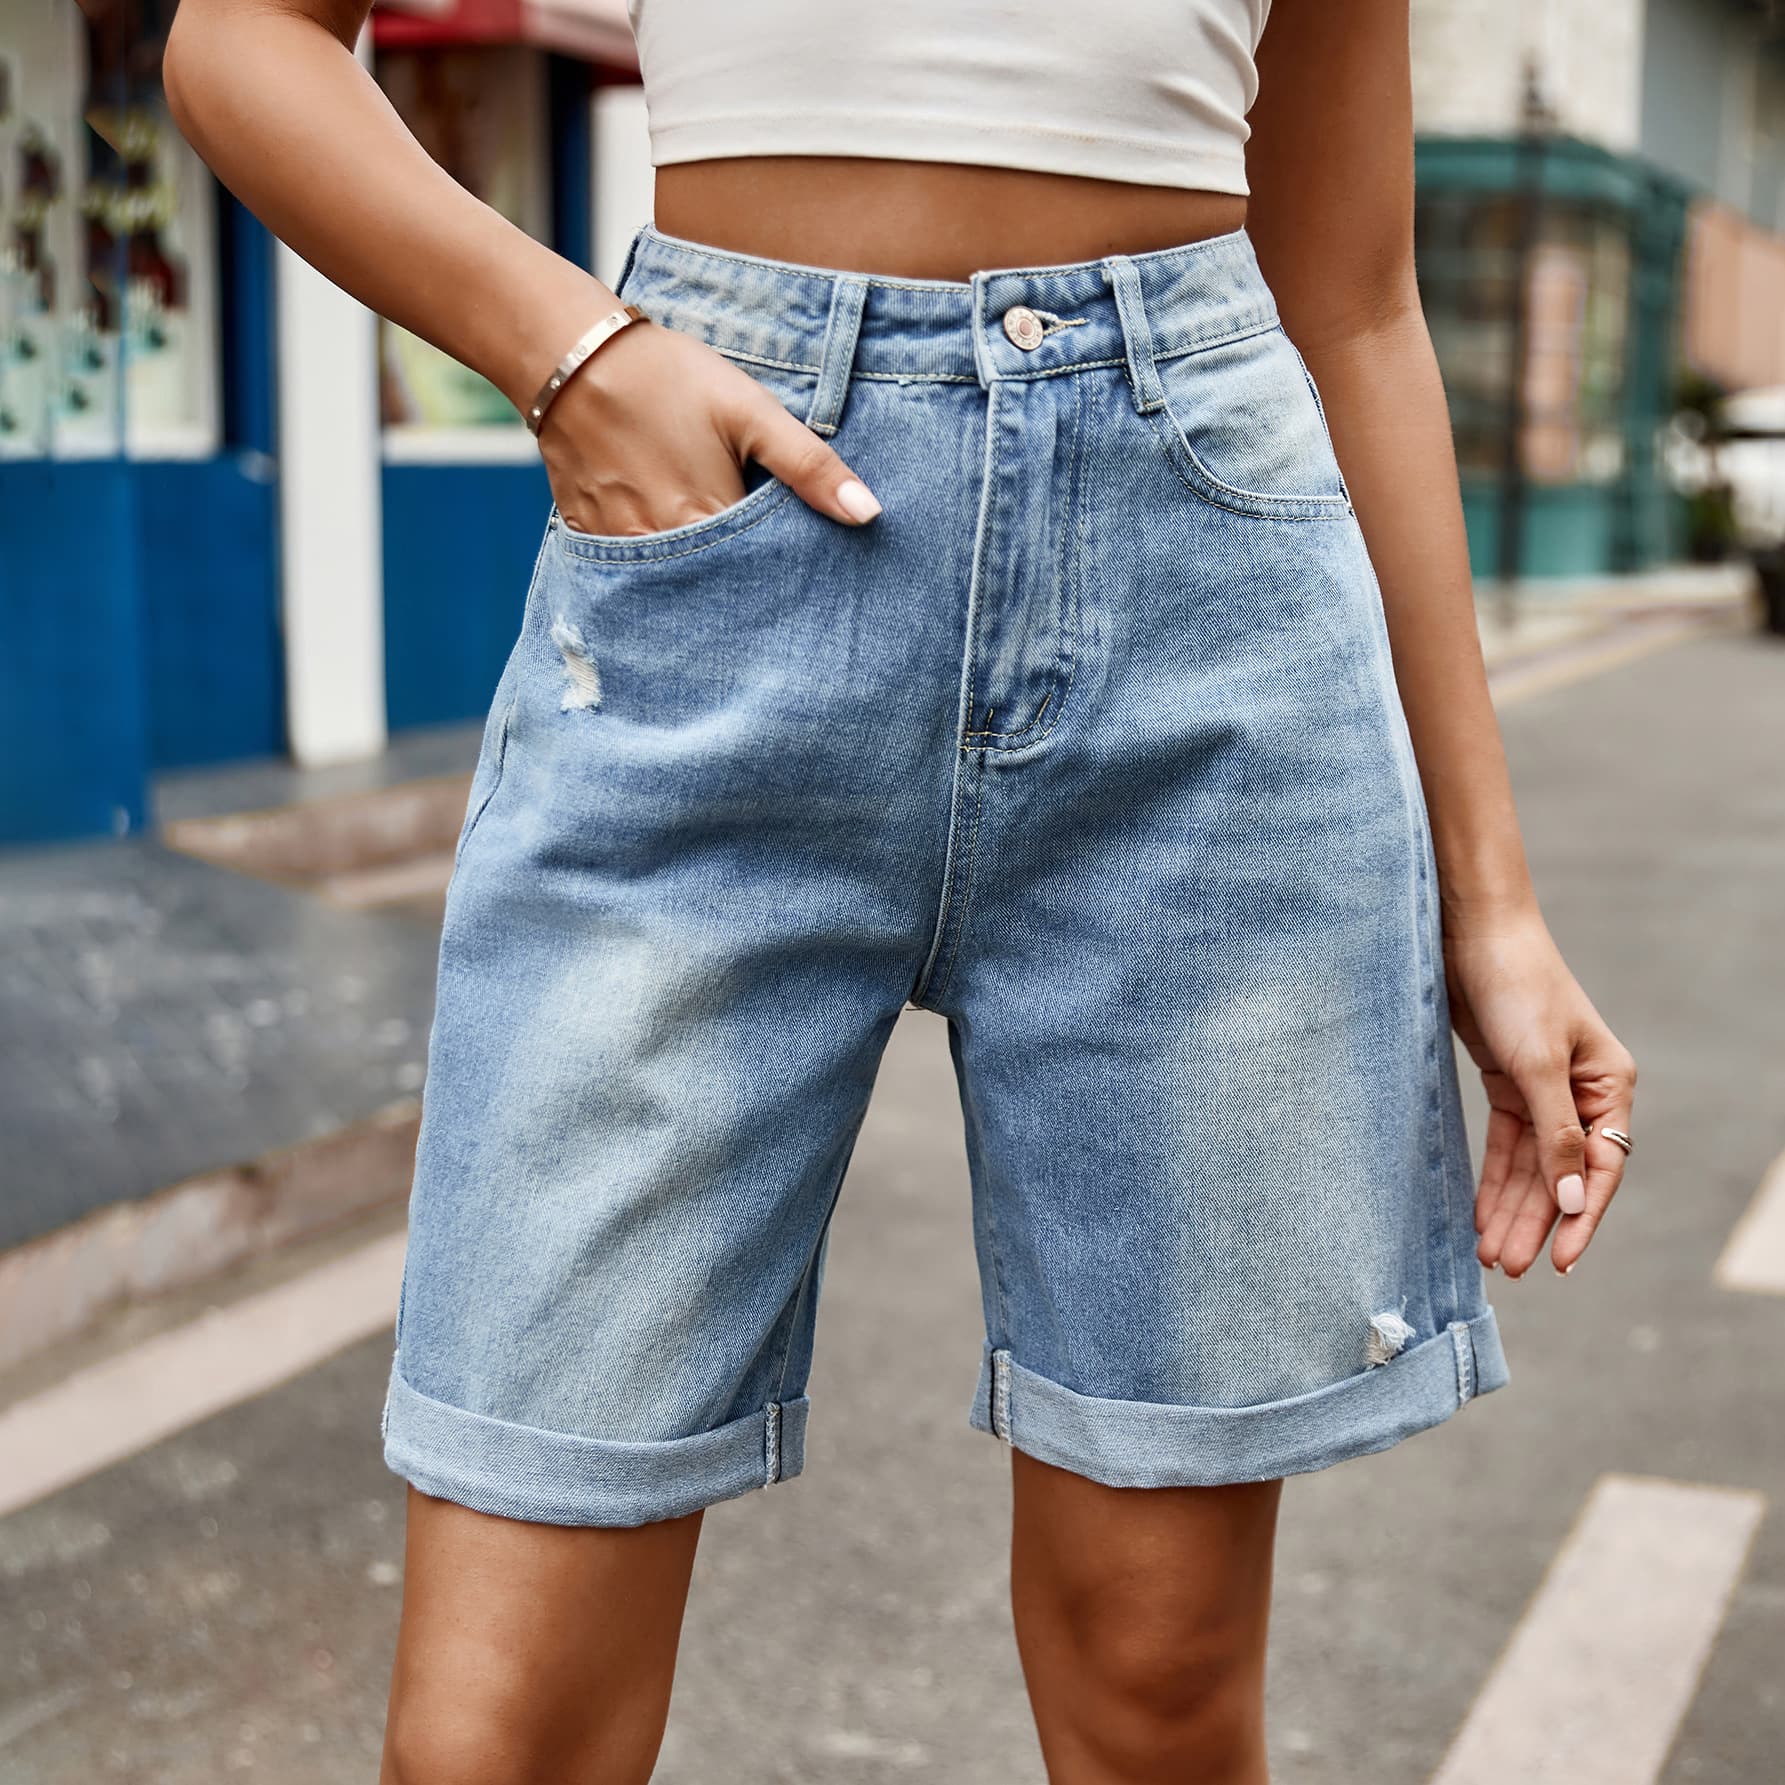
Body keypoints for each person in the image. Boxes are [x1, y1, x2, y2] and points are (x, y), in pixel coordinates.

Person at [163, 1, 1639, 1779]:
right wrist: (572, 352)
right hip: (725, 541)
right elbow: (245, 38)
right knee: (491, 1739)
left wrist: (1487, 902)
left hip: (1204, 599)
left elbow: (1352, 302)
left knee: (1157, 1693)